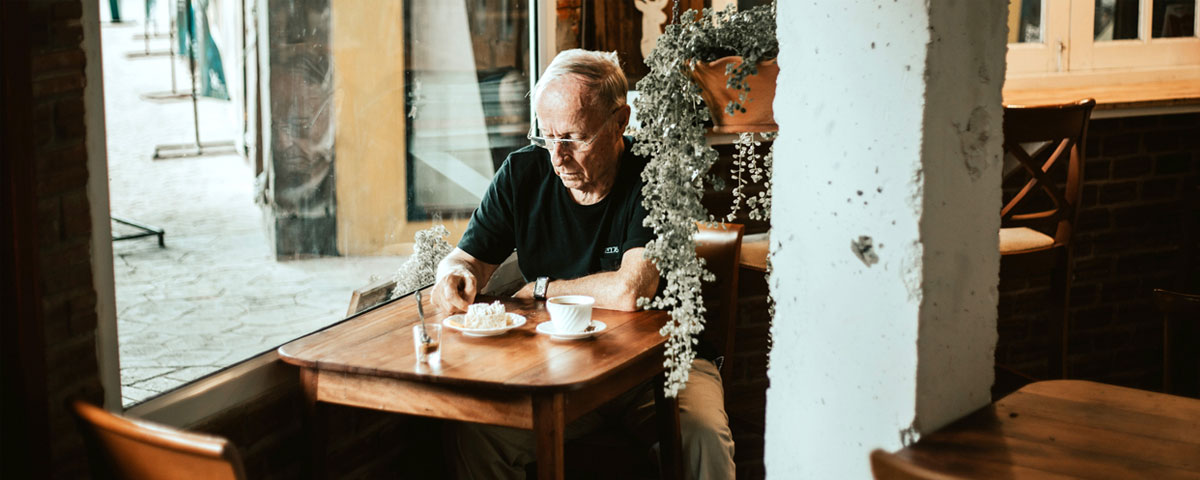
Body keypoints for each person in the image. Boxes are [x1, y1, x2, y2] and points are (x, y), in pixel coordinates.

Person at [431, 49, 735, 480]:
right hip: (563, 370)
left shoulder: (656, 174)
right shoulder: (522, 174)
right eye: (546, 136)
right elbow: (465, 259)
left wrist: (539, 289)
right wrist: (454, 276)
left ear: (620, 121)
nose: (558, 156)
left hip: (661, 367)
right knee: (480, 436)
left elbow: (632, 290)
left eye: (575, 137)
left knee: (702, 437)